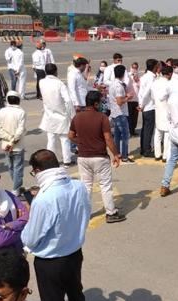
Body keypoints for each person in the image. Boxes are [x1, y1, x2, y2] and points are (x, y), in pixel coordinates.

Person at [21, 149, 96, 301]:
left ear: (37, 170)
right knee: (77, 297)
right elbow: (85, 213)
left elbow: (31, 238)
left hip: (50, 262)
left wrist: (29, 214)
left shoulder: (44, 199)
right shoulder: (78, 186)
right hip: (74, 254)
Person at [69, 90, 125, 224]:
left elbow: (70, 136)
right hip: (99, 157)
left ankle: (85, 214)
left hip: (83, 157)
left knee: (86, 186)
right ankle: (111, 212)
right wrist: (116, 154)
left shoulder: (77, 118)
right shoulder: (102, 118)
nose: (102, 104)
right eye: (100, 102)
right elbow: (108, 139)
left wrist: (82, 142)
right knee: (105, 186)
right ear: (95, 104)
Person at [39, 63, 75, 167]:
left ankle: (49, 162)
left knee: (51, 139)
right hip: (61, 115)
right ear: (56, 72)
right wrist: (72, 115)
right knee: (64, 139)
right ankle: (67, 161)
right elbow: (68, 101)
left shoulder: (42, 82)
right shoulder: (60, 84)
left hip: (49, 114)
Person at [0, 91, 27, 192]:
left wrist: (8, 139)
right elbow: (20, 130)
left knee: (11, 167)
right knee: (18, 167)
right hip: (18, 145)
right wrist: (12, 140)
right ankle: (16, 189)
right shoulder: (21, 112)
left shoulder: (1, 112)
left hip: (5, 145)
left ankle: (16, 186)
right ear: (18, 101)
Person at [108, 65, 134, 164]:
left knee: (117, 136)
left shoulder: (113, 83)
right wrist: (128, 97)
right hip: (120, 113)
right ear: (123, 74)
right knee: (125, 135)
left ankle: (117, 154)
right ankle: (124, 156)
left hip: (115, 113)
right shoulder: (119, 86)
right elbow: (119, 101)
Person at [151, 65, 173, 162]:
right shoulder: (169, 84)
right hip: (167, 109)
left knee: (158, 132)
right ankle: (165, 156)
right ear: (170, 74)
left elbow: (152, 96)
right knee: (167, 133)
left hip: (158, 108)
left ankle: (157, 154)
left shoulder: (155, 82)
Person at [127, 62, 140, 136]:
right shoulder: (127, 75)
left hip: (136, 99)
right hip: (129, 99)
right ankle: (129, 131)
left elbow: (140, 86)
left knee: (135, 117)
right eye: (133, 67)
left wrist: (137, 80)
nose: (134, 69)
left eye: (136, 68)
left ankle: (133, 130)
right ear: (131, 67)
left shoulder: (138, 77)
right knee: (129, 116)